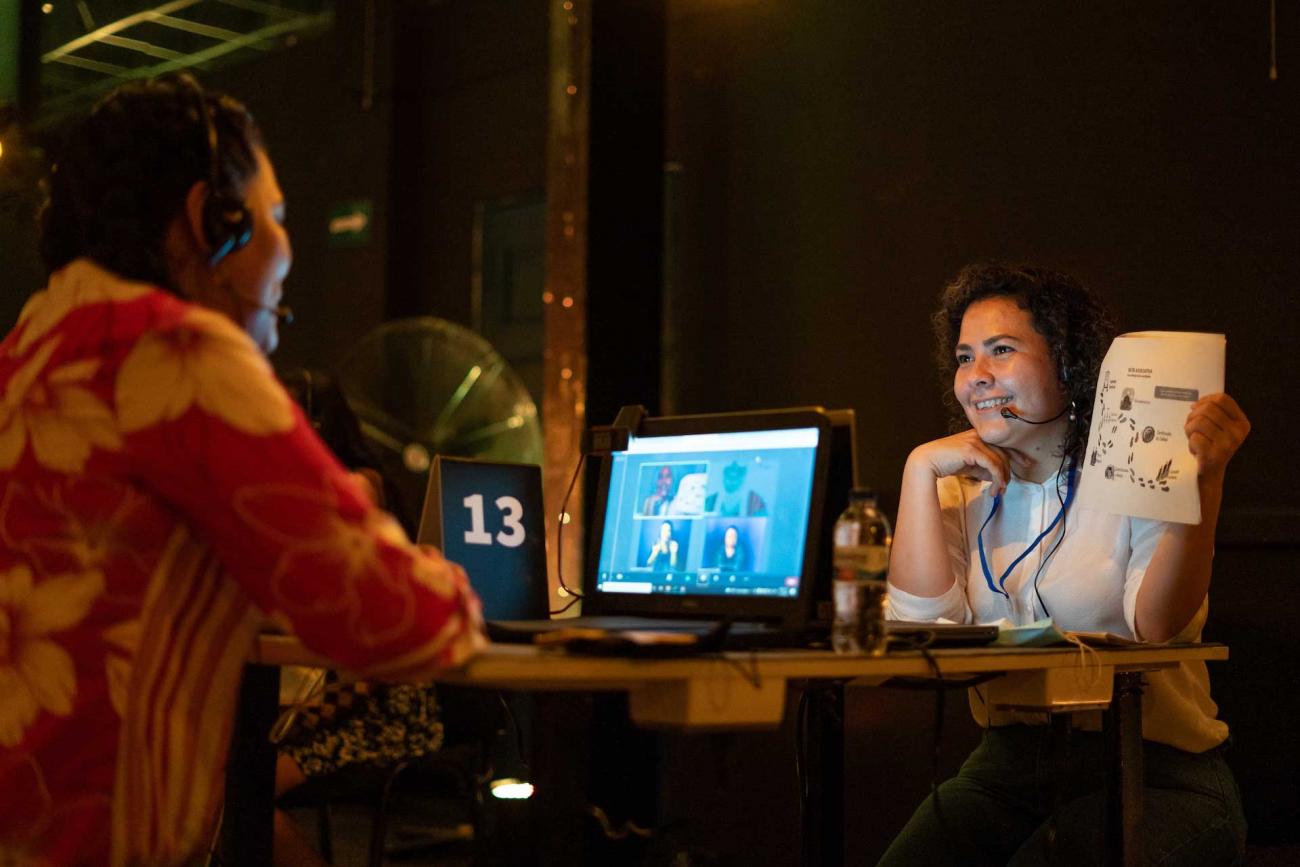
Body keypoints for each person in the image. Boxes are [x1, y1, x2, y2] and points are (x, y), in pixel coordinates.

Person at [0, 74, 484, 866]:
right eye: (278, 218)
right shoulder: (177, 352)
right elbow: (390, 616)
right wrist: (439, 577)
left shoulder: (24, 353)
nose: (288, 254)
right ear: (208, 219)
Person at [880, 263, 1250, 865]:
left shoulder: (1134, 465)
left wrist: (1202, 483)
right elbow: (922, 629)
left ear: (1068, 362)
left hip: (1152, 770)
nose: (978, 377)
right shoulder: (955, 483)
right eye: (965, 357)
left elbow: (1157, 626)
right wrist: (918, 470)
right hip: (1006, 766)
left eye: (1001, 350)